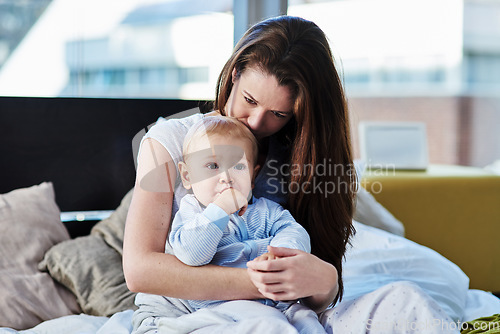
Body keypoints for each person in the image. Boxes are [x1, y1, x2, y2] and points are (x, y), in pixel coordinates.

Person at [124, 15, 457, 333]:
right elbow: (139, 270)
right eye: (249, 100)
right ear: (235, 74)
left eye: (278, 113)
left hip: (284, 311)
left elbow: (315, 281)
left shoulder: (302, 156)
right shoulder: (166, 142)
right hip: (190, 314)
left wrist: (324, 280)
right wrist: (262, 282)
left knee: (406, 305)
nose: (255, 123)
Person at [162, 115, 326, 332]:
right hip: (221, 309)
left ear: (252, 177)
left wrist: (281, 254)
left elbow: (293, 230)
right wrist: (219, 209)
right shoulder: (192, 212)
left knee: (308, 322)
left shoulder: (266, 210)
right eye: (212, 165)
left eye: (238, 167)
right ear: (187, 176)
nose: (226, 177)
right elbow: (192, 254)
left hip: (279, 305)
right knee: (269, 327)